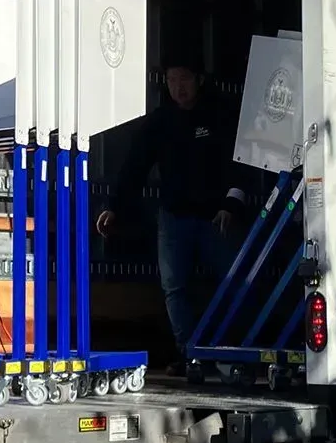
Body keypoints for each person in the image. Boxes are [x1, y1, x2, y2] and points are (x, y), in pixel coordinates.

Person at [96, 59, 247, 367]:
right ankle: (190, 353)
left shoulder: (220, 115)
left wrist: (231, 204)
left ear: (199, 79)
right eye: (172, 79)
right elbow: (134, 168)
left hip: (215, 217)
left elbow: (241, 161)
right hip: (174, 217)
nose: (179, 87)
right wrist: (114, 206)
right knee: (174, 287)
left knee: (234, 280)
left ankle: (229, 351)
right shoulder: (160, 122)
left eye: (185, 78)